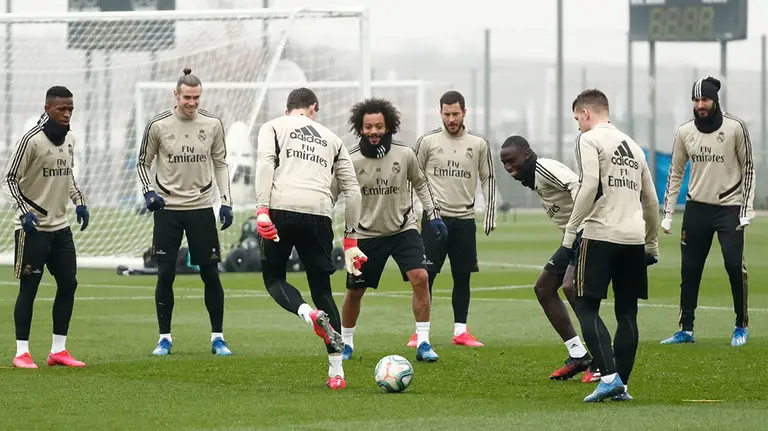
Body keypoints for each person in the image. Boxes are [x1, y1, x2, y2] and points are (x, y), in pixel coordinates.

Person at [254, 87, 365, 390]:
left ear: (287, 108)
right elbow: (352, 191)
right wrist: (351, 241)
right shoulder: (333, 138)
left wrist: (262, 209)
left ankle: (308, 315)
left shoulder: (273, 126)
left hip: (280, 209)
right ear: (313, 108)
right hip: (319, 213)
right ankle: (337, 373)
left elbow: (265, 164)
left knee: (275, 280)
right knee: (323, 289)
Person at [563, 89, 659, 402]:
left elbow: (589, 185)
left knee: (586, 305)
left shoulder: (588, 139)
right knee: (627, 313)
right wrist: (651, 243)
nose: (577, 123)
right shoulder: (634, 146)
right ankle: (623, 387)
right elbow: (651, 200)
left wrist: (570, 232)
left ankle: (608, 377)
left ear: (586, 113)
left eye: (577, 117)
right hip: (633, 239)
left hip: (601, 234)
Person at [334, 98, 446, 363]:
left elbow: (421, 183)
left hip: (402, 229)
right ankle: (346, 342)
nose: (374, 132)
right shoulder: (350, 160)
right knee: (355, 292)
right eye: (368, 127)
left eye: (379, 126)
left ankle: (423, 342)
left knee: (421, 277)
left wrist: (434, 215)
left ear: (388, 127)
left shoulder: (405, 154)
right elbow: (331, 193)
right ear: (360, 128)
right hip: (365, 235)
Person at [137, 68, 234, 357]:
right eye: (187, 97)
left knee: (210, 273)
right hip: (168, 209)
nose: (192, 103)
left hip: (201, 208)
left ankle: (218, 338)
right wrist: (149, 193)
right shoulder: (158, 125)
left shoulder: (213, 124)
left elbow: (221, 163)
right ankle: (164, 338)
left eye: (196, 97)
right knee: (165, 274)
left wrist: (226, 201)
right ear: (176, 95)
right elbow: (143, 162)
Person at [660, 76, 755, 347]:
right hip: (696, 208)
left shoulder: (736, 127)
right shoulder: (684, 132)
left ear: (715, 100)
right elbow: (675, 172)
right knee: (690, 270)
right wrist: (668, 213)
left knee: (734, 266)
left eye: (706, 99)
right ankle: (686, 330)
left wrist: (745, 209)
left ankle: (741, 325)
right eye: (697, 100)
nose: (701, 105)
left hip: (730, 207)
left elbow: (748, 168)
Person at [499, 135, 599, 383]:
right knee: (544, 288)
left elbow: (577, 187)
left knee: (570, 287)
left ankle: (601, 360)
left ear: (528, 155)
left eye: (512, 161)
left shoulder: (545, 168)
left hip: (588, 233)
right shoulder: (535, 180)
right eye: (504, 164)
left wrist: (579, 225)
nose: (509, 168)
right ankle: (579, 355)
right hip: (572, 238)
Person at [3, 86, 90, 368]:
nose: (67, 114)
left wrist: (80, 202)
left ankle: (58, 350)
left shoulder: (71, 139)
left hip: (61, 228)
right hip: (33, 229)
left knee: (69, 284)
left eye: (70, 110)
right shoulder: (31, 141)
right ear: (47, 108)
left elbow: (68, 175)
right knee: (29, 288)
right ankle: (21, 353)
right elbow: (9, 180)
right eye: (61, 109)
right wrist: (24, 212)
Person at [408, 90, 497, 347]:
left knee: (462, 276)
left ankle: (460, 331)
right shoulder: (427, 142)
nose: (451, 119)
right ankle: (420, 331)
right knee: (426, 276)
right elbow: (411, 178)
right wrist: (411, 214)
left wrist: (490, 211)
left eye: (455, 113)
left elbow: (488, 178)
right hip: (434, 219)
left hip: (465, 219)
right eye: (446, 114)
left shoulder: (478, 143)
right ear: (440, 113)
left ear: (464, 112)